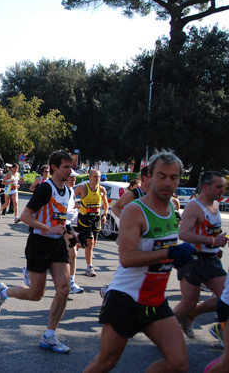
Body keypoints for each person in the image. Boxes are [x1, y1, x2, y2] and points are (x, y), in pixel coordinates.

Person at [83, 151, 195, 373]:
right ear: (149, 177)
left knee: (178, 363)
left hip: (155, 300)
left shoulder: (172, 208)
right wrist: (169, 254)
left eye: (173, 177)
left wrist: (181, 258)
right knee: (106, 362)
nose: (167, 182)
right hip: (127, 299)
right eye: (161, 176)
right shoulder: (136, 210)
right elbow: (127, 258)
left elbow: (163, 254)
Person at [0, 151, 77, 354]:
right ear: (54, 168)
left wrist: (72, 232)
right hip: (39, 243)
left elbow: (62, 219)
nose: (70, 171)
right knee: (36, 294)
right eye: (66, 167)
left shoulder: (68, 191)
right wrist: (48, 228)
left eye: (71, 167)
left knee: (63, 289)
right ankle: (4, 292)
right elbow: (25, 216)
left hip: (57, 245)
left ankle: (49, 335)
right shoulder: (45, 189)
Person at [173, 171, 227, 339]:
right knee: (188, 302)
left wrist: (216, 245)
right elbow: (184, 234)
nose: (222, 191)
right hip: (193, 260)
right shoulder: (194, 207)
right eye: (218, 187)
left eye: (223, 187)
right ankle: (168, 334)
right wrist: (212, 241)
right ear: (205, 187)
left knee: (225, 297)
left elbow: (210, 231)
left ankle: (191, 316)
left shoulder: (216, 205)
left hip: (211, 259)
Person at [74, 169, 109, 277]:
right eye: (95, 176)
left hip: (96, 219)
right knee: (90, 242)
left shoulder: (102, 190)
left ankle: (75, 246)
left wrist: (104, 215)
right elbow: (70, 197)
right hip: (85, 218)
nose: (97, 178)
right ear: (90, 177)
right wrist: (76, 205)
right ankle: (89, 267)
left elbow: (106, 204)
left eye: (99, 176)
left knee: (92, 244)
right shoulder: (83, 188)